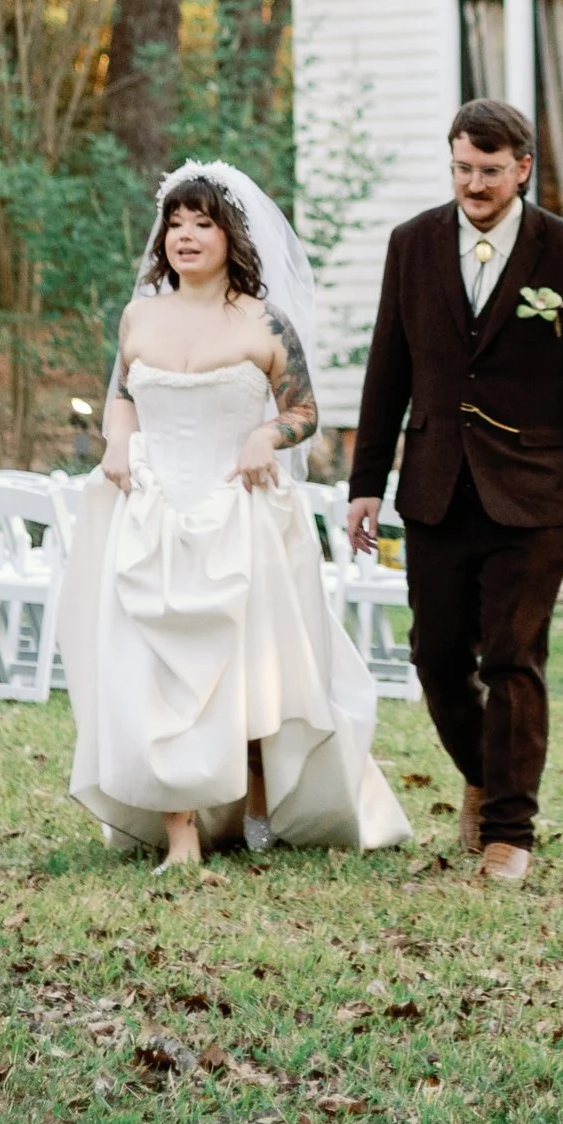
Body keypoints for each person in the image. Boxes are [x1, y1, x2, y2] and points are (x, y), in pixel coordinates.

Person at [56, 164, 410, 866]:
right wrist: (118, 438)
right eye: (176, 224)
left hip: (238, 510)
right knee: (154, 673)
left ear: (230, 235)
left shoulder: (264, 321)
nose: (186, 236)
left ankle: (254, 801)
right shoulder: (140, 316)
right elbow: (123, 392)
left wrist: (262, 436)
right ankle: (180, 831)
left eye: (203, 223)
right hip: (152, 512)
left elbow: (304, 412)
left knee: (245, 672)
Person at [346, 100, 563, 887]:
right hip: (438, 485)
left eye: (487, 170)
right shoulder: (412, 245)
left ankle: (510, 830)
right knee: (436, 656)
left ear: (522, 168)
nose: (472, 184)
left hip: (534, 492)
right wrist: (365, 485)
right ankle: (483, 772)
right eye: (461, 169)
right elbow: (388, 371)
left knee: (513, 657)